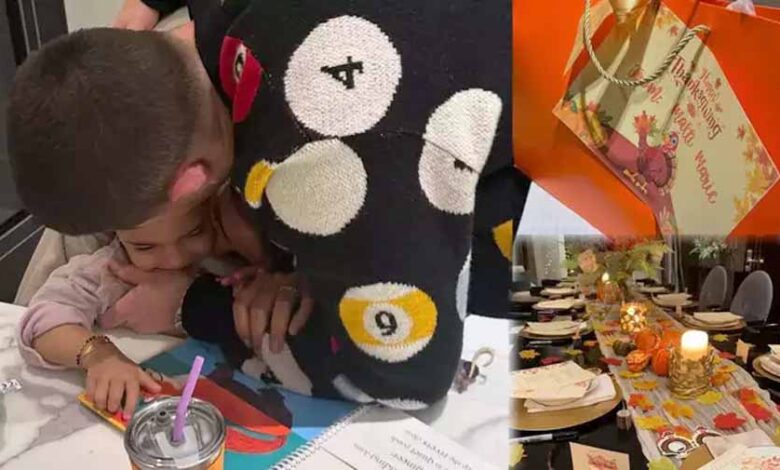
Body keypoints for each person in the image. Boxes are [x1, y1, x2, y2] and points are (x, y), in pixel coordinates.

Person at [8, 0, 517, 408]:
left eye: (190, 231)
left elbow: (401, 378)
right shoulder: (211, 39)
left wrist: (194, 308)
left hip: (542, 158)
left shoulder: (332, 150)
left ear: (193, 185)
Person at [17, 185, 311, 418]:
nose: (174, 259)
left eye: (194, 232)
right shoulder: (111, 270)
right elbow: (42, 320)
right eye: (145, 247)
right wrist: (100, 356)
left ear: (212, 214)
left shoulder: (231, 262)